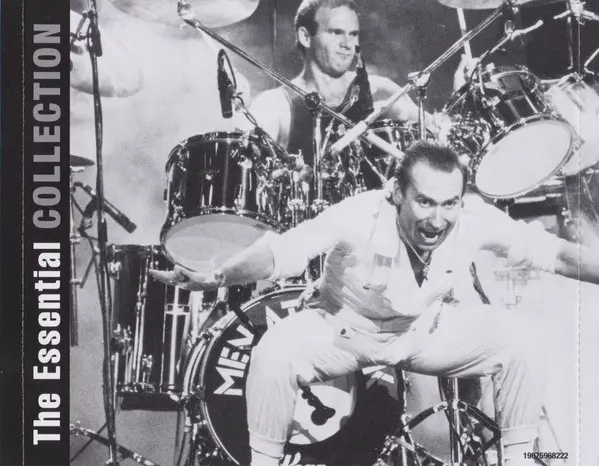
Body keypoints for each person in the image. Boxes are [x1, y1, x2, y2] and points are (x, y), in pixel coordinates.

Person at [152, 140, 599, 466]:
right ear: (396, 192)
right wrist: (219, 275)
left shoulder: (473, 218)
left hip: (422, 334)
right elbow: (282, 252)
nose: (437, 219)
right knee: (274, 352)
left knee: (523, 341)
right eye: (424, 202)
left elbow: (556, 254)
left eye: (449, 204)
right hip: (343, 331)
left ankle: (517, 460)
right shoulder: (359, 214)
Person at [243, 0, 464, 192]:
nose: (347, 44)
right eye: (336, 32)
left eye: (353, 34)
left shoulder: (379, 91)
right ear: (306, 37)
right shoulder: (276, 104)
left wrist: (461, 95)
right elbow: (244, 158)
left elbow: (440, 134)